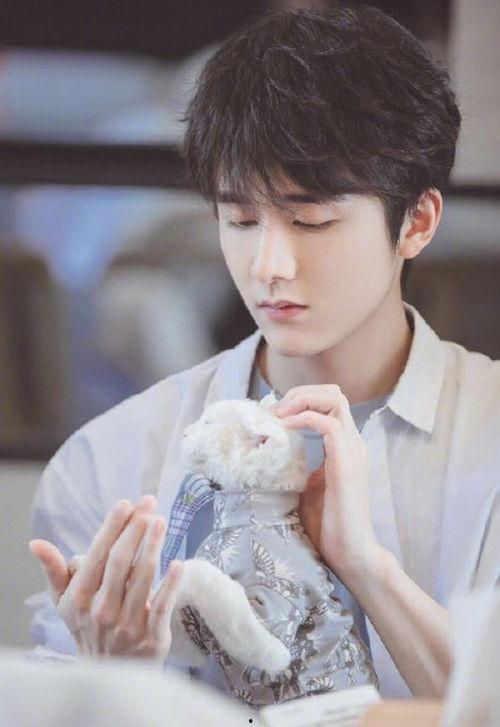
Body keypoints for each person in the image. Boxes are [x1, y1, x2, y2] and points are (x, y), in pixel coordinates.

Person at [27, 3, 500, 703]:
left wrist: (367, 567)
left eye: (310, 220)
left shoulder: (490, 436)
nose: (268, 266)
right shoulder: (112, 460)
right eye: (241, 220)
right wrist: (116, 681)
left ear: (417, 221)